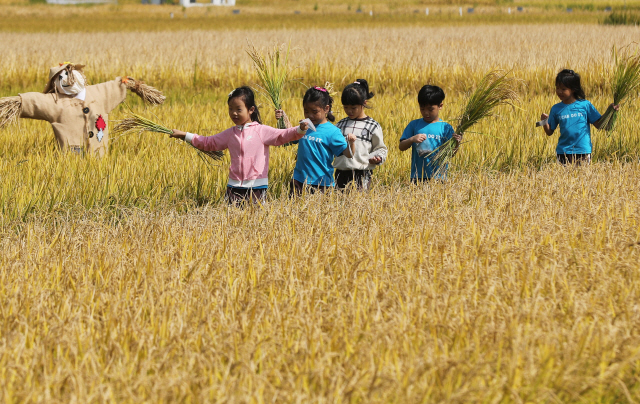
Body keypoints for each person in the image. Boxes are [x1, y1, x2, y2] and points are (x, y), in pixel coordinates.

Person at [170, 86, 308, 204]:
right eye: (230, 109)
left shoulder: (261, 131)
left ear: (251, 110)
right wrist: (184, 135)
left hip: (257, 187)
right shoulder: (230, 133)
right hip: (234, 187)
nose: (234, 113)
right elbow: (208, 142)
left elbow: (282, 135)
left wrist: (300, 129)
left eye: (238, 109)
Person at [539, 69, 619, 165]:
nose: (559, 92)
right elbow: (549, 132)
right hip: (563, 152)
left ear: (573, 89)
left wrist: (610, 111)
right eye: (557, 88)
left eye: (563, 89)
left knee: (582, 178)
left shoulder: (585, 105)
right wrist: (544, 122)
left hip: (583, 151)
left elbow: (599, 124)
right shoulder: (556, 109)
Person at [291, 86, 356, 195]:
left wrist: (352, 142)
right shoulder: (305, 126)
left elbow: (349, 154)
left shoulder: (333, 132)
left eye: (314, 111)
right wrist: (282, 119)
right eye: (306, 111)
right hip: (299, 179)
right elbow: (291, 138)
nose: (310, 115)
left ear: (326, 109)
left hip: (321, 183)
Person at [399, 85, 463, 182]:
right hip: (418, 176)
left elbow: (450, 154)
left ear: (440, 106)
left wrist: (457, 143)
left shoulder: (445, 127)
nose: (426, 113)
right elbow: (401, 146)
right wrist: (412, 139)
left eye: (430, 109)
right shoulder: (414, 125)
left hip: (439, 177)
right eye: (422, 108)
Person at [333, 79, 387, 190]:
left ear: (364, 103)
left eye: (353, 108)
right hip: (341, 172)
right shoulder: (340, 125)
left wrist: (378, 158)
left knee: (359, 203)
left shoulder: (372, 126)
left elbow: (380, 148)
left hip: (362, 172)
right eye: (346, 107)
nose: (349, 111)